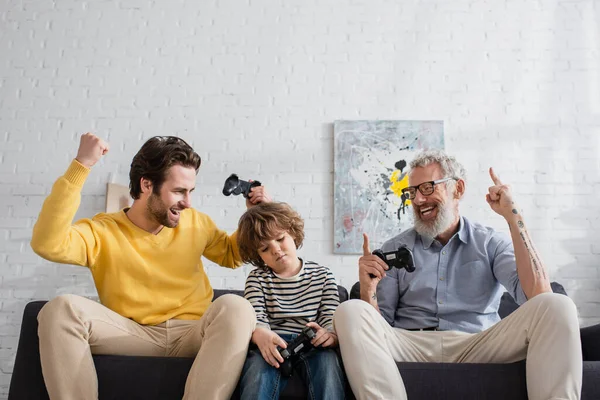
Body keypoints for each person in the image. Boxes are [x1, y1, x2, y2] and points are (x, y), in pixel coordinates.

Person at [30, 133, 271, 400]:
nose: (187, 202)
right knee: (59, 310)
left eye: (190, 192)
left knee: (238, 306)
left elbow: (232, 255)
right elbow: (47, 244)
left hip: (193, 332)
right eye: (179, 191)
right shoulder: (102, 231)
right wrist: (81, 166)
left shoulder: (196, 222)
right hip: (132, 332)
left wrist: (255, 215)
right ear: (146, 185)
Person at [334, 150, 582, 400]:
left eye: (428, 188)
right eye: (412, 192)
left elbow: (538, 296)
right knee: (350, 310)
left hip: (479, 343)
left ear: (458, 189)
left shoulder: (490, 242)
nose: (418, 199)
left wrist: (512, 215)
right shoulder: (393, 249)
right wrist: (368, 290)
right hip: (411, 344)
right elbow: (377, 328)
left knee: (557, 305)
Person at [236, 202, 346, 400]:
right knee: (256, 374)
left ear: (293, 234)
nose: (276, 250)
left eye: (280, 239)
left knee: (329, 366)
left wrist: (329, 336)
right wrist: (260, 334)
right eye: (265, 248)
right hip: (272, 346)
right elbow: (257, 319)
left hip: (312, 344)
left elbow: (330, 318)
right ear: (258, 256)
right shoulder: (257, 279)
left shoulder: (323, 275)